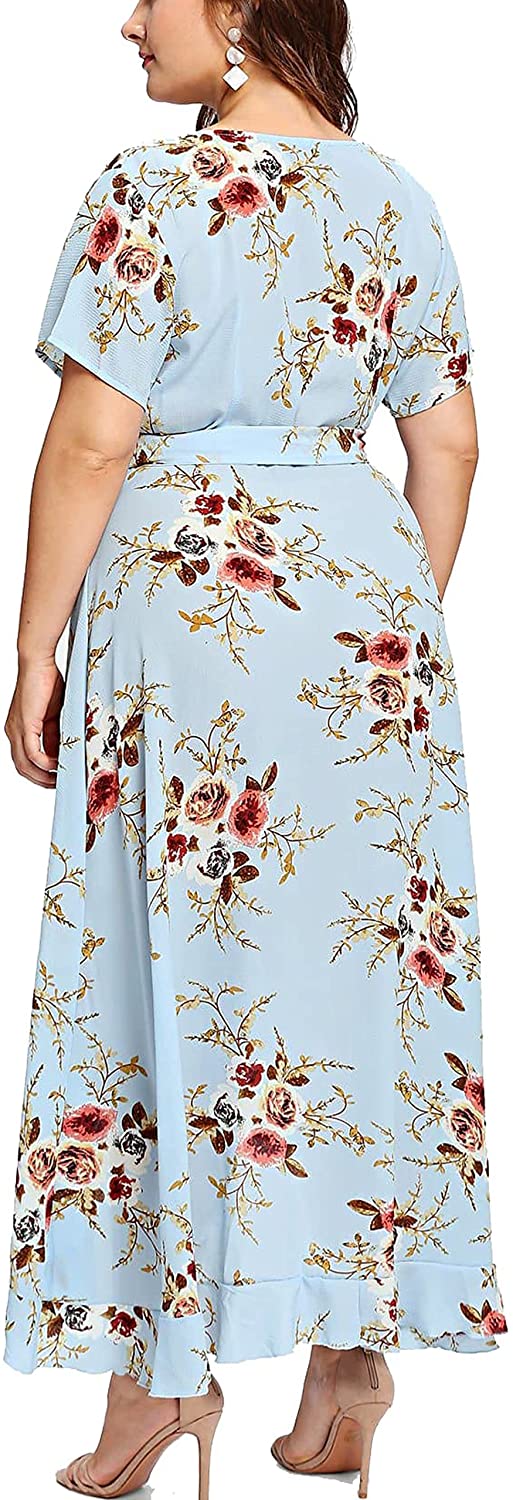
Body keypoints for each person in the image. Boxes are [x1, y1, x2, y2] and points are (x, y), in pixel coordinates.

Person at [3, 2, 507, 1498]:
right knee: (357, 988)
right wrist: (387, 624)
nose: (127, 21)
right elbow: (447, 442)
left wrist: (32, 646)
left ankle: (158, 1383)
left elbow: (94, 439)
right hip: (366, 613)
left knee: (159, 974)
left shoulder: (155, 188)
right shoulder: (396, 194)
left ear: (232, 10)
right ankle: (351, 1363)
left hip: (189, 618)